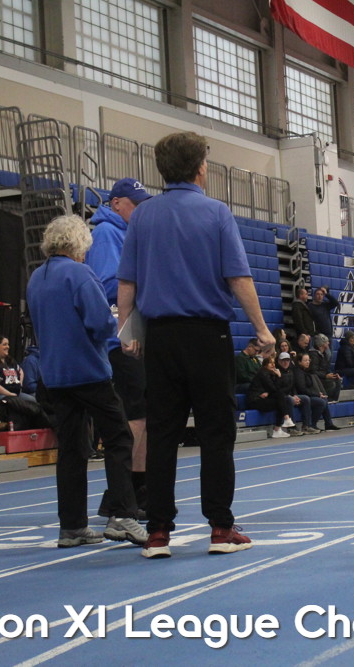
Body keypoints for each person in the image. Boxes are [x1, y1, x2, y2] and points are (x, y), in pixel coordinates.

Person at [117, 131, 275, 559]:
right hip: (208, 336)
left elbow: (127, 281)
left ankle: (157, 533)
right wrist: (262, 329)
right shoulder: (216, 212)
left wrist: (126, 331)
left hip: (160, 338)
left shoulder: (143, 216)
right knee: (216, 433)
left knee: (162, 433)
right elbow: (238, 277)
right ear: (201, 168)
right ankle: (220, 528)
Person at [26, 215, 147, 549]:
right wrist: (117, 330)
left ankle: (72, 526)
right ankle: (122, 514)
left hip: (54, 375)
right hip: (88, 371)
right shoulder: (79, 274)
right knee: (119, 437)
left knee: (72, 450)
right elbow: (99, 322)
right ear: (78, 244)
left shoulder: (36, 277)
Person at [85, 177, 153, 519]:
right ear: (116, 204)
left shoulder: (128, 234)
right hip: (120, 336)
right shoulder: (106, 234)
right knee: (136, 415)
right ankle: (129, 493)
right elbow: (107, 285)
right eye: (134, 205)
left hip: (135, 331)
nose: (139, 211)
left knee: (143, 414)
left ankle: (125, 493)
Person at [246, 356, 296, 438]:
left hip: (264, 399)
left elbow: (276, 389)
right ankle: (284, 421)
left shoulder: (271, 374)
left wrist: (268, 393)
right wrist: (279, 377)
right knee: (280, 400)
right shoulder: (263, 373)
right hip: (255, 400)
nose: (273, 365)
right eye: (270, 363)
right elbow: (274, 389)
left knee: (282, 400)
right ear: (265, 365)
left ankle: (279, 427)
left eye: (274, 363)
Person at [292, 352, 338, 431]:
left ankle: (328, 423)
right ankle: (312, 424)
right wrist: (317, 394)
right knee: (321, 402)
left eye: (308, 360)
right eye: (305, 360)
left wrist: (318, 393)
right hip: (302, 396)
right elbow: (302, 389)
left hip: (309, 394)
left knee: (324, 399)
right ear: (299, 362)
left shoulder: (306, 371)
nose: (308, 362)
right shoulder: (298, 372)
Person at [309, 334, 342, 402]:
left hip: (323, 376)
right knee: (331, 383)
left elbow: (326, 369)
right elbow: (313, 371)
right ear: (321, 343)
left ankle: (333, 400)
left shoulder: (324, 354)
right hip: (316, 379)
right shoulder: (313, 355)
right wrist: (325, 376)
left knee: (338, 380)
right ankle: (327, 400)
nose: (328, 343)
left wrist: (334, 375)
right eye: (327, 342)